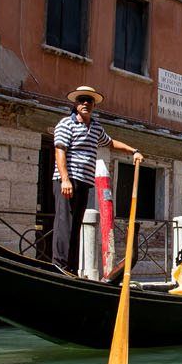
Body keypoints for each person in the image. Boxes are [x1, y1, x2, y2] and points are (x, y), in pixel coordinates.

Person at [52, 86, 142, 273]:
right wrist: (65, 179)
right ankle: (59, 267)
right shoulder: (65, 124)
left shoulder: (95, 127)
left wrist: (133, 150)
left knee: (75, 226)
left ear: (93, 105)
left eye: (89, 101)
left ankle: (71, 270)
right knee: (64, 224)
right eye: (82, 100)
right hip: (67, 181)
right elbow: (59, 150)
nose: (86, 103)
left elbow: (110, 143)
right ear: (75, 104)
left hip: (84, 182)